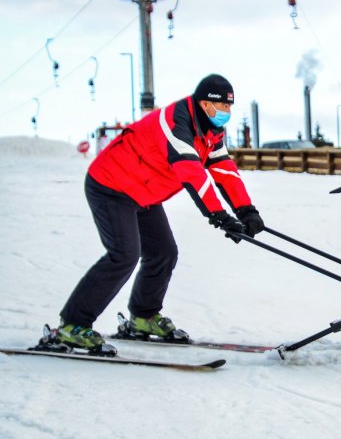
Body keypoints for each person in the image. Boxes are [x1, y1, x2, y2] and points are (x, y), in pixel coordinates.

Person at [52, 74, 266, 352]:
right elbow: (192, 172)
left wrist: (246, 210)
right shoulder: (176, 123)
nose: (226, 113)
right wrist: (220, 216)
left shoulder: (211, 131)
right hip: (111, 185)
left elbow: (223, 168)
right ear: (203, 104)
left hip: (143, 193)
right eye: (221, 107)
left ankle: (143, 317)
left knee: (163, 252)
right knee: (124, 254)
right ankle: (72, 325)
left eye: (229, 107)